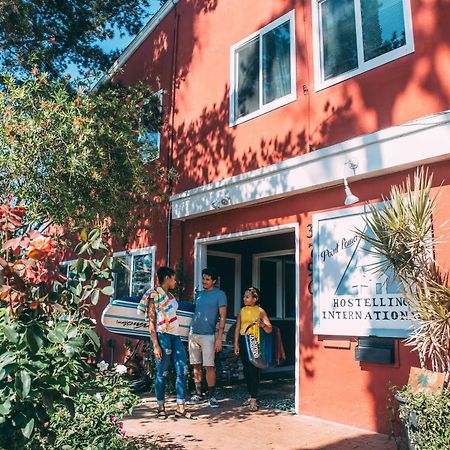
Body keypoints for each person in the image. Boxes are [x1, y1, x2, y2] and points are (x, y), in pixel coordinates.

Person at [139, 266, 191, 419]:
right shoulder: (154, 295)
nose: (175, 281)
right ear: (167, 278)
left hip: (176, 336)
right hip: (162, 336)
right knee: (162, 372)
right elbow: (151, 321)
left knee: (182, 369)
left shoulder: (171, 296)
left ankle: (180, 407)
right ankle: (161, 408)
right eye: (174, 278)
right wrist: (155, 344)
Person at [188, 267, 227, 408]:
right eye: (203, 278)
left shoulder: (220, 295)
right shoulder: (198, 294)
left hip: (209, 335)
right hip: (193, 333)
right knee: (196, 365)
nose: (204, 281)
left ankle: (211, 396)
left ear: (214, 281)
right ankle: (198, 394)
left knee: (209, 366)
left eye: (208, 279)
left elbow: (222, 317)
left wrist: (219, 338)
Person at [234, 287, 272, 412]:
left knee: (253, 369)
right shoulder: (242, 311)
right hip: (243, 340)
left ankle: (254, 399)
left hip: (255, 341)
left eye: (247, 296)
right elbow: (237, 327)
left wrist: (262, 325)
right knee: (246, 369)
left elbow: (269, 328)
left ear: (255, 299)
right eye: (244, 296)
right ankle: (251, 395)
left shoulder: (260, 311)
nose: (244, 299)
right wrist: (236, 344)